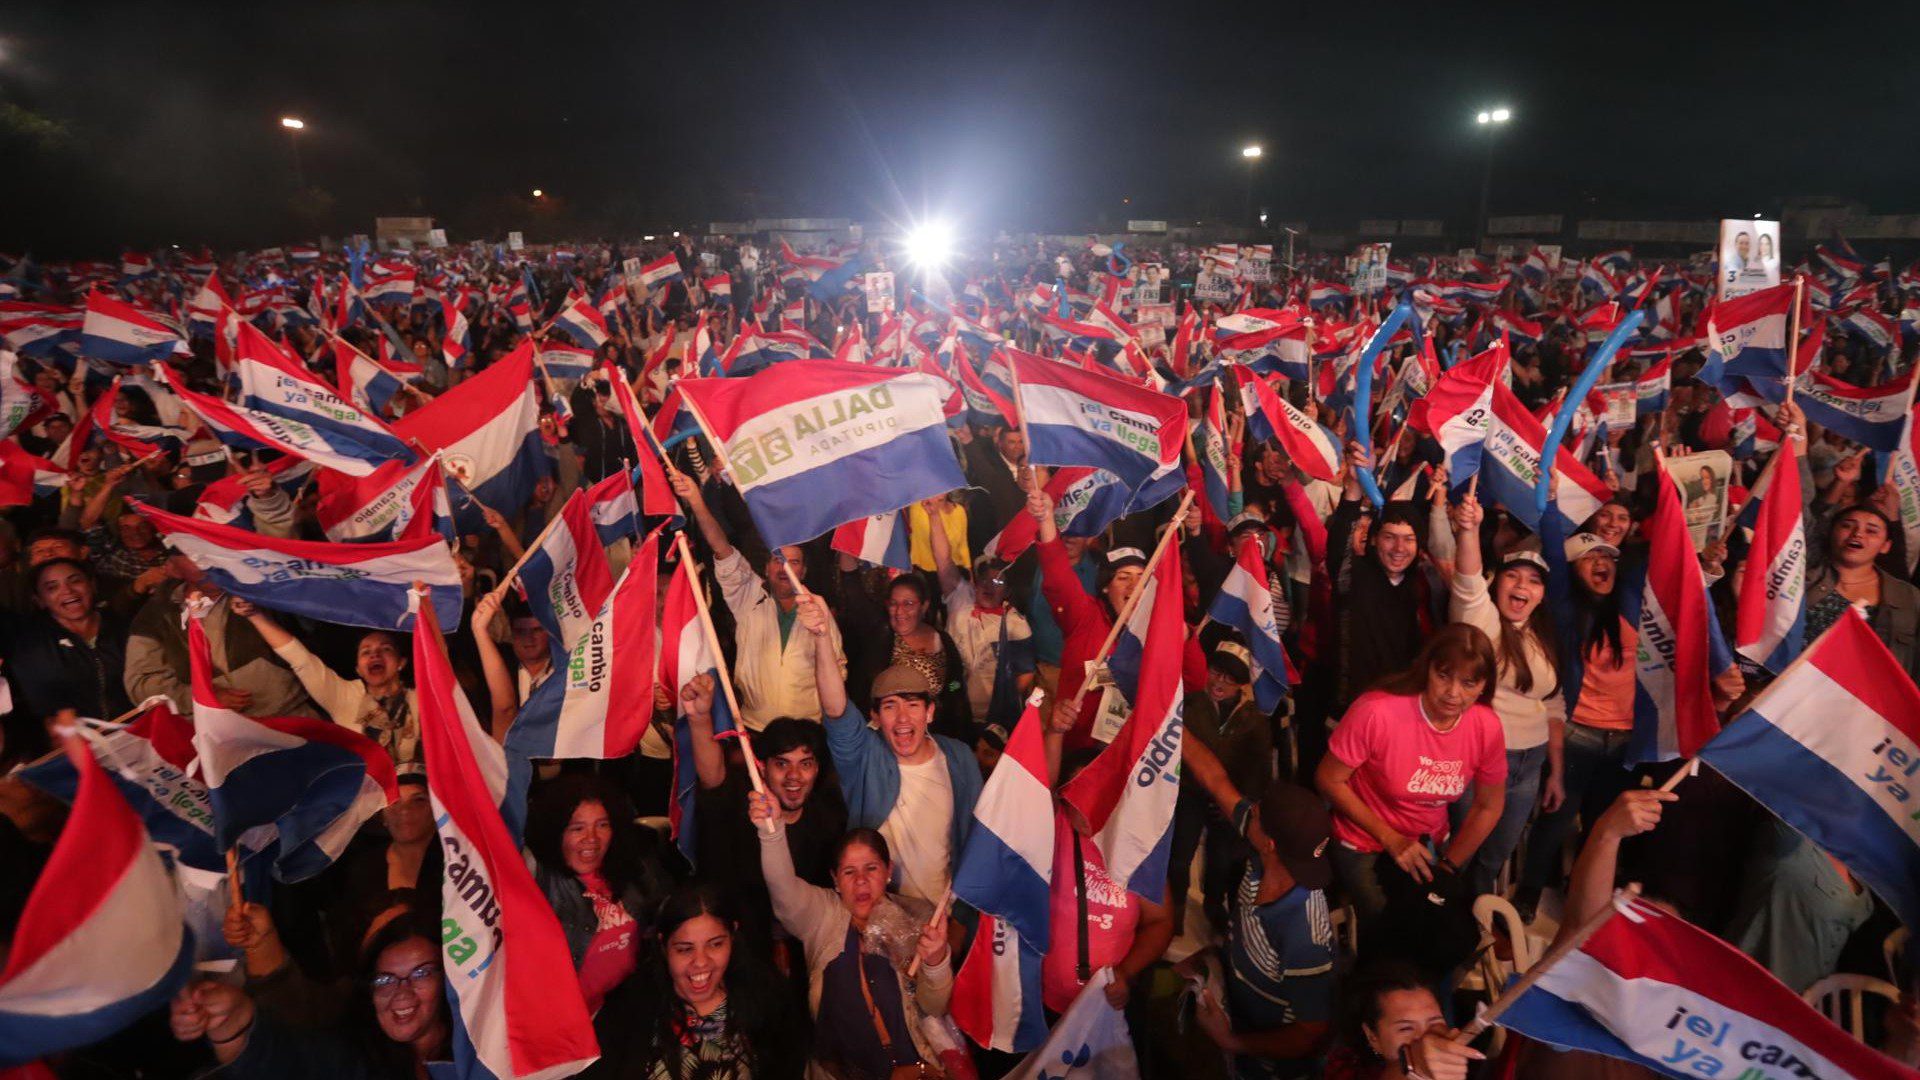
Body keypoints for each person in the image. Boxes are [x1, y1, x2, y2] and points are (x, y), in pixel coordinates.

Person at [1315, 624, 1506, 925]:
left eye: (1468, 683)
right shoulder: (1378, 712)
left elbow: (1489, 805)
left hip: (1429, 842)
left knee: (1431, 927)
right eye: (1443, 676)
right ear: (1426, 668)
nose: (1453, 694)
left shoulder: (1486, 726)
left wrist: (1450, 866)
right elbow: (1329, 779)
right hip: (1364, 840)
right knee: (1386, 928)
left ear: (1484, 685)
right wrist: (1391, 838)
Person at [804, 587, 981, 904]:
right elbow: (836, 709)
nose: (902, 718)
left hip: (944, 918)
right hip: (879, 916)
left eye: (913, 705)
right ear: (874, 716)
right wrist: (820, 637)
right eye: (889, 706)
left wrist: (963, 922)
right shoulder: (866, 756)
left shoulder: (959, 758)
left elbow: (977, 841)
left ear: (929, 712)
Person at [754, 804, 954, 1080]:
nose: (861, 881)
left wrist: (935, 960)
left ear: (888, 871)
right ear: (835, 879)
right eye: (849, 872)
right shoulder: (820, 914)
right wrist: (770, 830)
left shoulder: (917, 917)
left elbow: (935, 1008)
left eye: (871, 868)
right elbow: (783, 888)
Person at [1183, 735, 1335, 1080]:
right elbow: (1215, 779)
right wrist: (1171, 721)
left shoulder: (1304, 936)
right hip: (1240, 1021)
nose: (1247, 810)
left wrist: (1232, 1042)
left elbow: (1309, 1034)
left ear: (1269, 842)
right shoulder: (1269, 856)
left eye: (1255, 813)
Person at [169, 908, 453, 1079]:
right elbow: (285, 1061)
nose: (402, 993)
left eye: (421, 973)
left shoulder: (481, 1046)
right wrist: (232, 1022)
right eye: (384, 979)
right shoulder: (354, 1054)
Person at [685, 671, 848, 959]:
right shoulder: (742, 799)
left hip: (804, 948)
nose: (794, 776)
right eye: (782, 764)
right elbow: (712, 776)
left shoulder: (829, 819)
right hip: (734, 945)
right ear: (762, 767)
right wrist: (699, 719)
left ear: (818, 769)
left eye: (806, 764)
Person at [1446, 495, 1563, 896]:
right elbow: (1467, 581)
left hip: (1530, 766)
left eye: (1533, 580)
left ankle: (1476, 926)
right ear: (1496, 582)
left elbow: (1553, 705)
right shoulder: (1481, 621)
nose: (1522, 586)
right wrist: (1469, 530)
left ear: (1542, 593)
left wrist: (1556, 771)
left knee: (1494, 858)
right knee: (1459, 855)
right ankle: (1446, 930)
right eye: (1514, 576)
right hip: (1482, 762)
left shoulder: (1543, 635)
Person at [673, 466, 847, 729]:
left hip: (807, 731)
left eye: (793, 562)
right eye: (778, 560)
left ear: (804, 570)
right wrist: (696, 500)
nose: (784, 568)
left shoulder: (817, 611)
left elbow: (837, 671)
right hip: (753, 727)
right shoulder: (748, 596)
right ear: (766, 567)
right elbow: (720, 547)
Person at [585, 882, 805, 1080]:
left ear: (733, 936)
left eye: (716, 944)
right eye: (684, 949)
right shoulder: (628, 1007)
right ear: (663, 945)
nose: (701, 962)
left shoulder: (767, 999)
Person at [1039, 746, 1175, 1018]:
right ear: (1063, 799)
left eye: (1099, 794)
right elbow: (1039, 784)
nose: (1090, 807)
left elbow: (1160, 922)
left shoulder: (1138, 847)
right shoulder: (1053, 829)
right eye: (1079, 796)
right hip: (1045, 1001)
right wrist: (1056, 734)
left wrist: (1124, 974)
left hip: (1108, 1005)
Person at [526, 774, 672, 1013]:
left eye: (602, 825)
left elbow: (667, 921)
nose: (591, 839)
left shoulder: (634, 867)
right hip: (557, 1020)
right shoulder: (538, 877)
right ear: (555, 831)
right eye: (577, 828)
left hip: (617, 1015)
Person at [232, 598, 420, 765]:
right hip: (372, 795)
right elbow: (300, 659)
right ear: (358, 670)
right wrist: (255, 615)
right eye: (366, 652)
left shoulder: (424, 696)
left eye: (385, 649)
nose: (375, 655)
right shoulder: (345, 696)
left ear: (401, 663)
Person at [1325, 445, 1445, 705]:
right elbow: (1339, 543)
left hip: (1403, 707)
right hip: (1353, 706)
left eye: (1408, 539)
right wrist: (1355, 487)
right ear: (1374, 539)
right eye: (1390, 538)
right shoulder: (1355, 576)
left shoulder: (1426, 585)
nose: (1399, 549)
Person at [837, 566, 971, 742]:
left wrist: (948, 693)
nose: (900, 611)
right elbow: (862, 693)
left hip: (933, 739)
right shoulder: (877, 638)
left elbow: (955, 685)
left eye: (908, 604)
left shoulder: (942, 640)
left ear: (924, 606)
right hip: (884, 740)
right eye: (893, 603)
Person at [1, 557, 134, 723]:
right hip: (72, 742)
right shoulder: (28, 640)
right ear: (39, 600)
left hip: (137, 730)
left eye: (75, 581)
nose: (67, 591)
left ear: (92, 585)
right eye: (52, 587)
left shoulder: (127, 627)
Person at [1321, 963, 1483, 1080]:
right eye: (1405, 1028)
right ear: (1372, 1036)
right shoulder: (1345, 1069)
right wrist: (1414, 1067)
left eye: (1434, 1023)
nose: (1425, 1038)